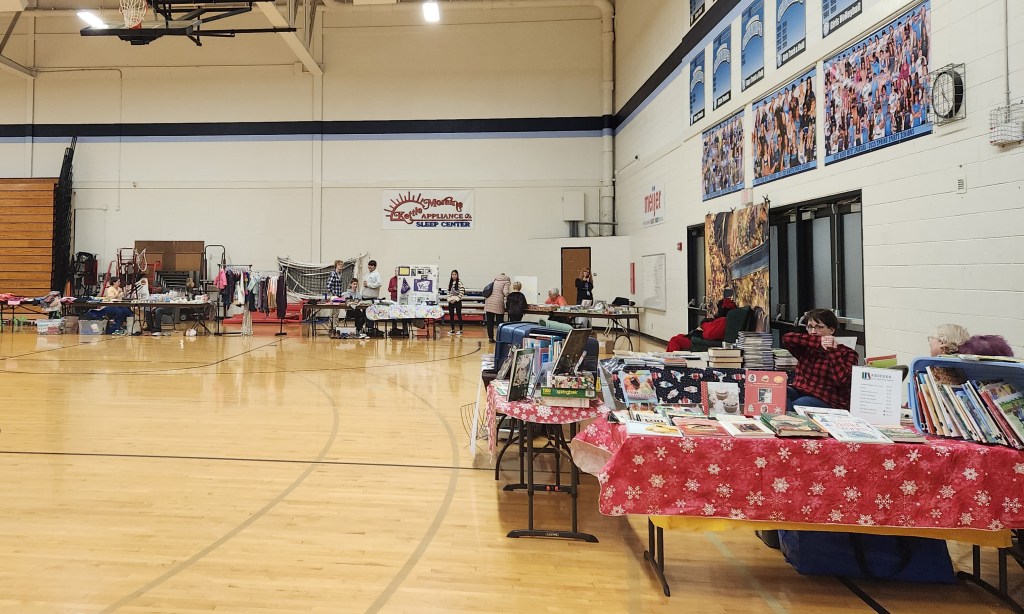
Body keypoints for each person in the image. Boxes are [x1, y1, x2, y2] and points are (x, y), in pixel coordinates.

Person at [782, 308, 859, 410]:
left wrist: (832, 351)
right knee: (778, 393)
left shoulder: (848, 353)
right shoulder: (808, 346)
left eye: (819, 327)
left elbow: (843, 381)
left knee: (799, 404)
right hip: (800, 389)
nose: (813, 331)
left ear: (831, 330)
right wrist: (820, 342)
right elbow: (787, 338)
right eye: (810, 327)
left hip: (827, 399)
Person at [483, 272, 511, 343]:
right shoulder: (506, 282)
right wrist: (511, 295)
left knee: (490, 322)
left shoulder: (495, 281)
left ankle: (490, 338)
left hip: (489, 302)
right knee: (499, 322)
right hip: (498, 303)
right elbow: (505, 292)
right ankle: (499, 338)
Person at [362, 260, 382, 335]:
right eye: (369, 265)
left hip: (372, 298)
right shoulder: (367, 274)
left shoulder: (377, 274)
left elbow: (379, 284)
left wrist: (369, 285)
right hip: (364, 297)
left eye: (371, 265)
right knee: (365, 315)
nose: (369, 266)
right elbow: (364, 285)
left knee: (370, 315)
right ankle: (366, 329)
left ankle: (370, 330)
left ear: (375, 266)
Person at [447, 270, 465, 335]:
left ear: (457, 275)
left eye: (455, 274)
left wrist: (456, 299)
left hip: (457, 301)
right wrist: (449, 300)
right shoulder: (450, 283)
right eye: (452, 274)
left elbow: (462, 292)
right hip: (451, 301)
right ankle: (452, 329)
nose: (454, 276)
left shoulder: (460, 283)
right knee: (451, 316)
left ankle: (461, 330)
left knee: (459, 315)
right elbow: (448, 292)